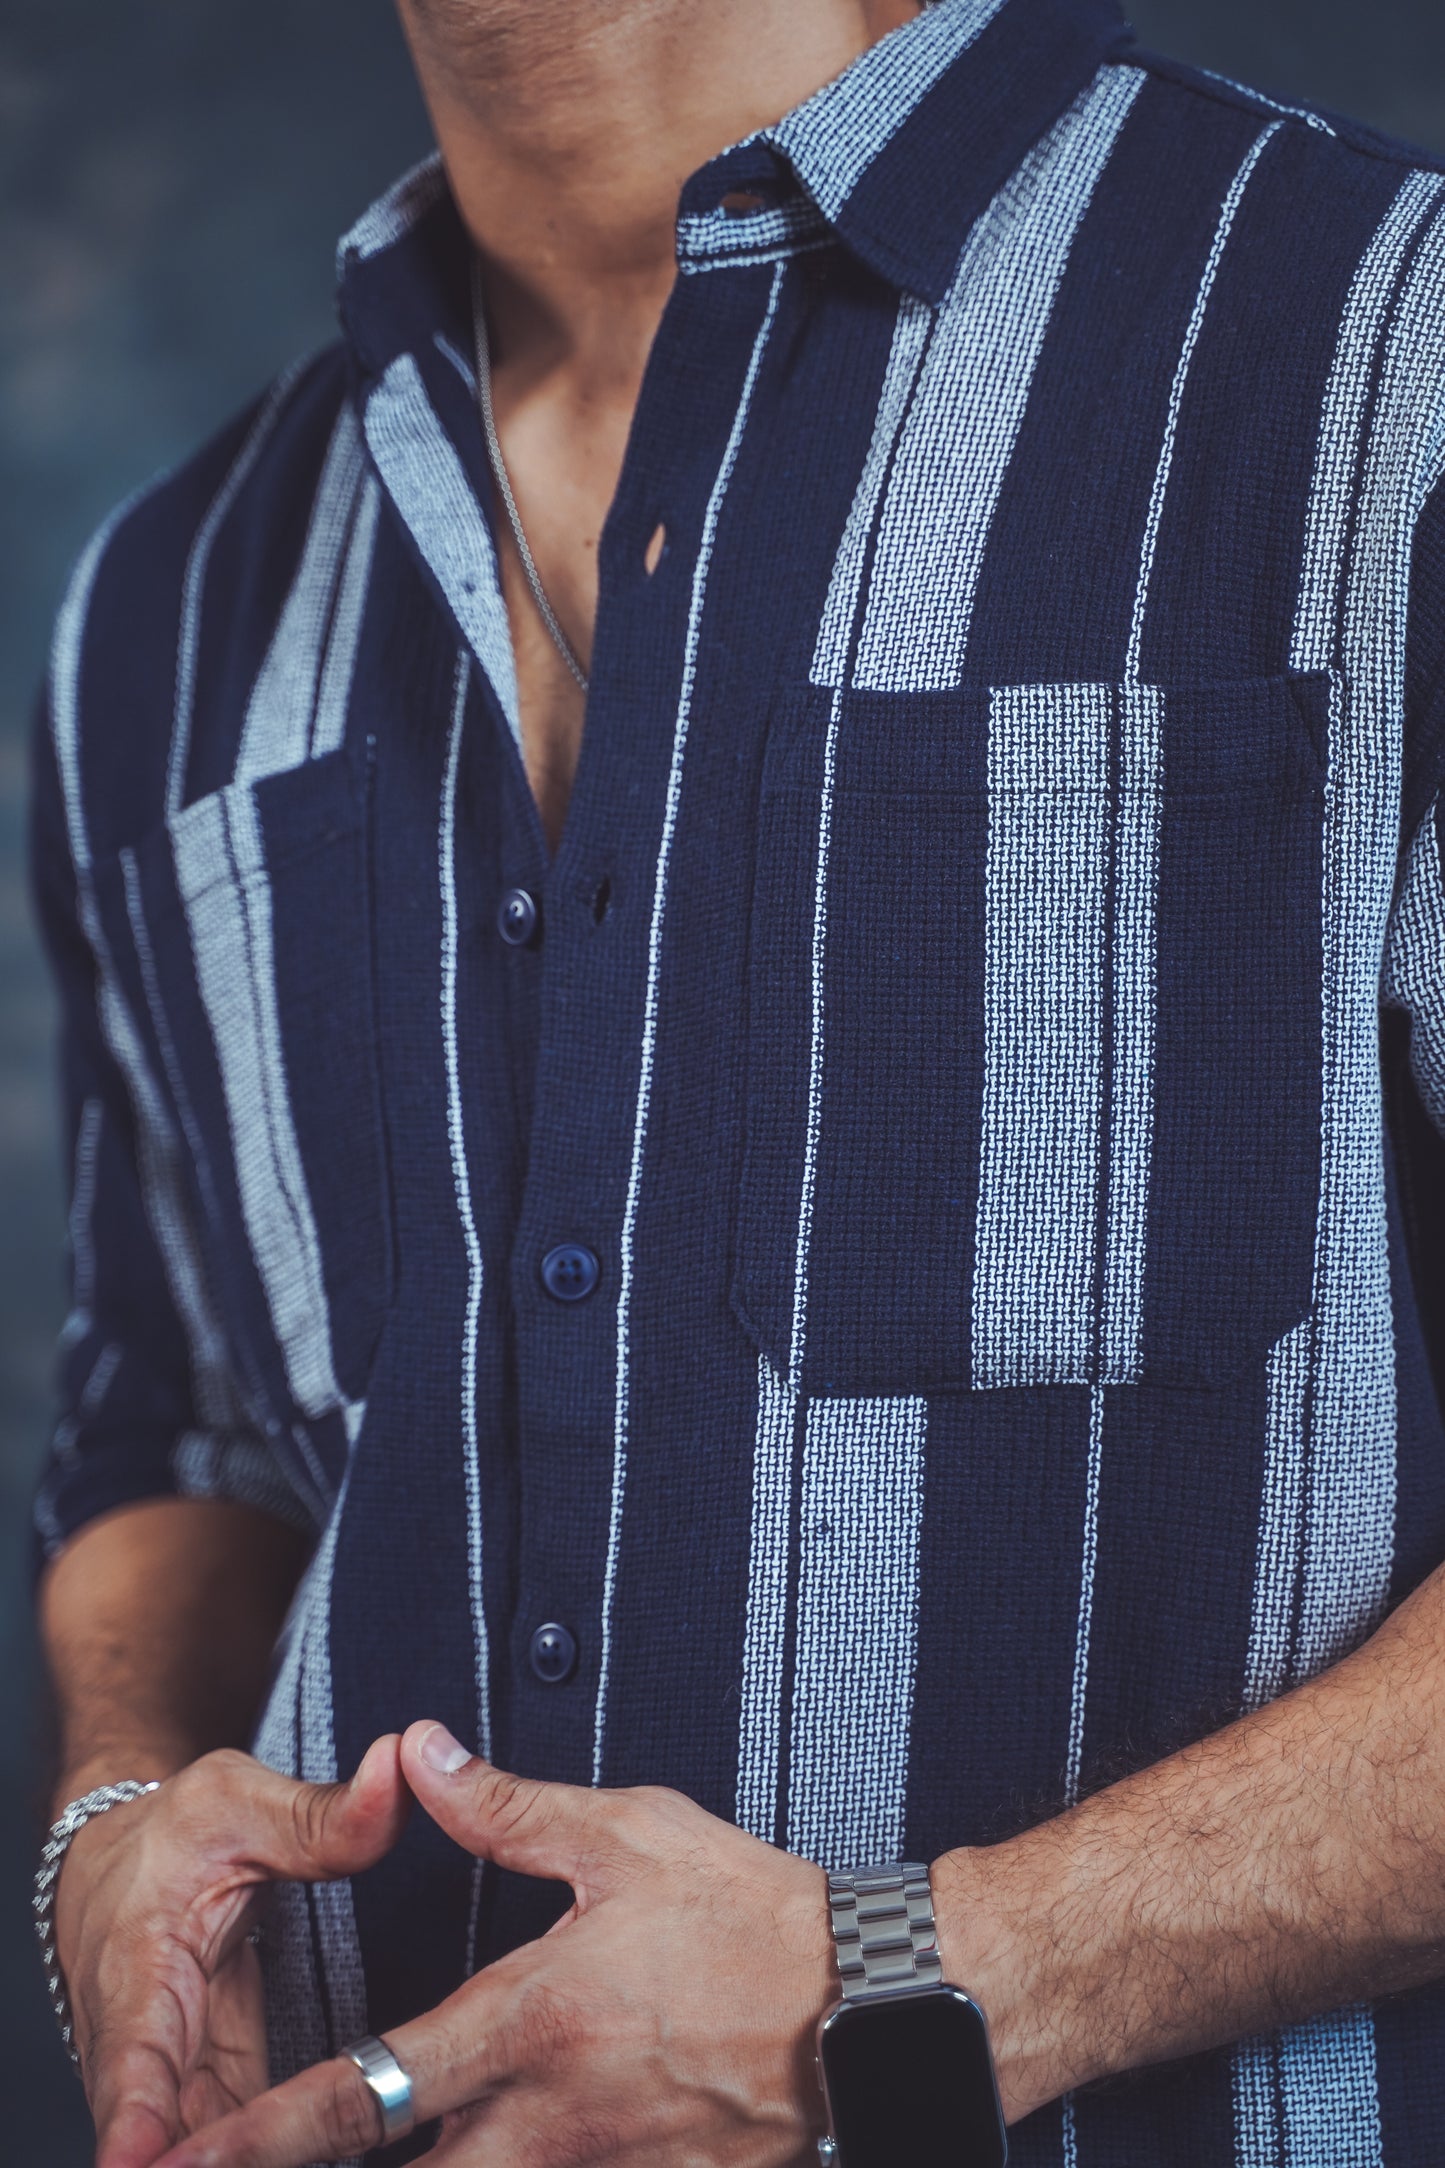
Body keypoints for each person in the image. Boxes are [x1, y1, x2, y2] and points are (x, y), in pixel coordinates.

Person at [29, 0, 1445, 2160]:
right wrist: (113, 1812)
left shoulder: (1390, 355)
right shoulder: (165, 607)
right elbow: (183, 1421)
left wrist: (909, 1990)